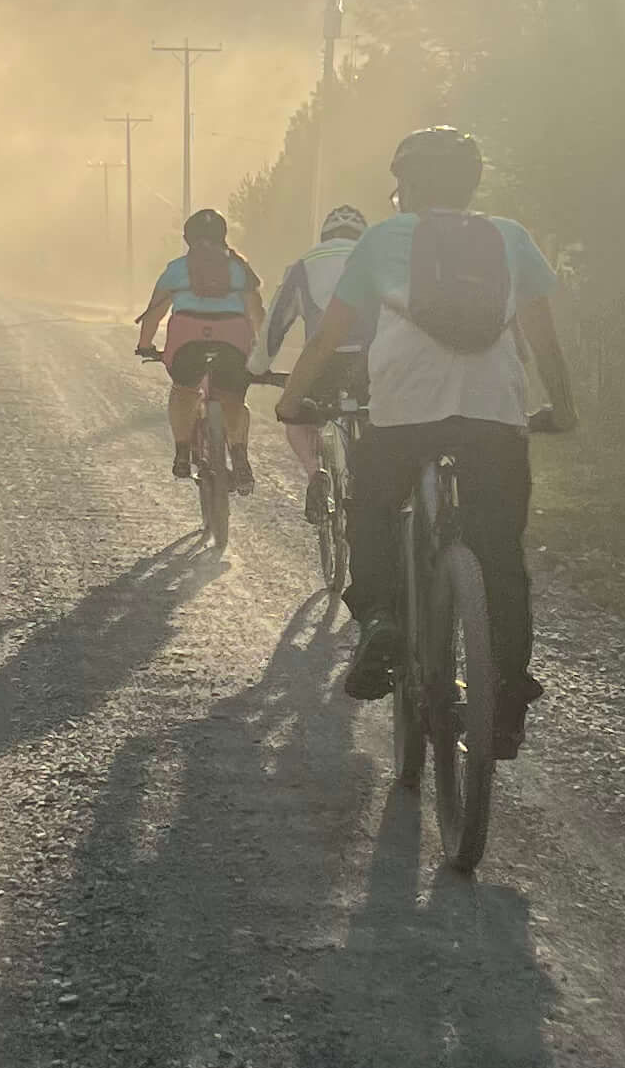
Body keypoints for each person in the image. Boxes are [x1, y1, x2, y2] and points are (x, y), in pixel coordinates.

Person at [276, 126, 575, 758]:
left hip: (404, 408)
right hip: (494, 412)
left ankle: (382, 616)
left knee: (374, 506)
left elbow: (327, 337)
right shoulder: (511, 237)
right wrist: (562, 408)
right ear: (473, 184)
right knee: (499, 556)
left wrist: (289, 400)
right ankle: (507, 703)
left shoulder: (384, 239)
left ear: (406, 186)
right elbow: (544, 340)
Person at [133, 206, 265, 493]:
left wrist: (145, 345)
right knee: (232, 398)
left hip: (187, 340)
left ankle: (182, 451)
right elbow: (256, 313)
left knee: (183, 389)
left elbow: (154, 313)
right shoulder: (239, 268)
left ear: (188, 238)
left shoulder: (176, 269)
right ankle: (240, 457)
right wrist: (260, 347)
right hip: (232, 339)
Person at [261, 199, 369, 519]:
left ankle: (314, 472)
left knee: (297, 419)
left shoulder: (305, 263)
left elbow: (276, 323)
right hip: (371, 362)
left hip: (322, 363)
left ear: (325, 234)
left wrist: (257, 367)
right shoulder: (378, 260)